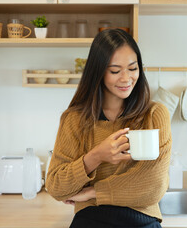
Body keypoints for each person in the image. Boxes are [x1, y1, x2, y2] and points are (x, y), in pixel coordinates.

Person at [45, 28, 172, 228]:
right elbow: (56, 187)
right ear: (98, 72)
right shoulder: (74, 119)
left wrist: (92, 192)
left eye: (133, 68)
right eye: (115, 71)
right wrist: (95, 156)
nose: (126, 78)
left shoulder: (154, 115)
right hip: (91, 221)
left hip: (142, 222)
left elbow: (154, 186)